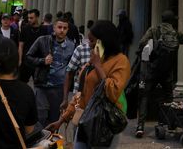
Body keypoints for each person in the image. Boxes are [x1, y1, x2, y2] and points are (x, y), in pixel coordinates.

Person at [48, 20, 131, 149]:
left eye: (92, 41)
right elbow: (81, 94)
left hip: (104, 123)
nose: (90, 45)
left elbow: (113, 91)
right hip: (85, 120)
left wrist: (98, 67)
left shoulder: (120, 61)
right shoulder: (93, 61)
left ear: (103, 41)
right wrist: (62, 120)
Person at [135, 9, 183, 137]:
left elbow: (141, 43)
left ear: (162, 20)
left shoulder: (154, 30)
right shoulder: (175, 34)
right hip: (167, 72)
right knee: (168, 97)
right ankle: (168, 123)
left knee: (145, 96)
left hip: (152, 70)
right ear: (172, 21)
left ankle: (140, 126)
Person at [26, 17, 75, 126]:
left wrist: (66, 96)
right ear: (54, 28)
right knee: (41, 116)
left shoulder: (71, 46)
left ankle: (50, 141)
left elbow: (71, 69)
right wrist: (43, 61)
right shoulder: (42, 40)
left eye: (65, 28)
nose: (62, 30)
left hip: (58, 87)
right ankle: (39, 140)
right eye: (59, 27)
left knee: (54, 119)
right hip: (42, 85)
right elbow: (28, 57)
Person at [60, 38, 91, 113]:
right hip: (79, 99)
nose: (90, 43)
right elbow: (69, 73)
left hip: (97, 100)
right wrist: (65, 99)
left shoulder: (109, 53)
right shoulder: (81, 49)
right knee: (77, 121)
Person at [18, 8, 43, 83]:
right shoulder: (25, 29)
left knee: (39, 84)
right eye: (28, 18)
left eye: (31, 18)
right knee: (22, 83)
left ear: (37, 17)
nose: (29, 19)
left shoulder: (43, 29)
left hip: (39, 61)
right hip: (26, 61)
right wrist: (20, 60)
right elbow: (21, 45)